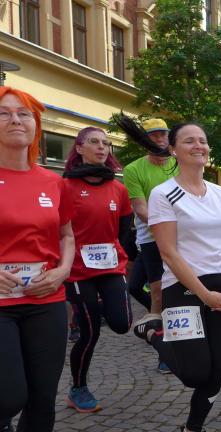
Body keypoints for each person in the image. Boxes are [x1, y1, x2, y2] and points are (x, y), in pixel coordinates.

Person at [121, 120, 221, 432]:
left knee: (217, 371)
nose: (198, 145)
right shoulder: (163, 194)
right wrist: (204, 294)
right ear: (173, 150)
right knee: (194, 373)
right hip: (184, 290)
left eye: (202, 140)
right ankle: (153, 331)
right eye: (189, 141)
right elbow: (169, 253)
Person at [0, 86, 75, 432]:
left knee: (42, 397)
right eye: (5, 113)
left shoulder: (52, 181)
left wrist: (63, 270)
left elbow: (66, 235)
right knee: (9, 395)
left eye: (24, 114)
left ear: (36, 126)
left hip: (46, 299)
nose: (16, 120)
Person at [62, 127, 134, 413]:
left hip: (111, 267)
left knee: (122, 323)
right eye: (94, 142)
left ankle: (94, 306)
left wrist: (118, 253)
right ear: (79, 148)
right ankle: (78, 388)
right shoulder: (64, 186)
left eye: (106, 143)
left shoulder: (118, 188)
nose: (102, 147)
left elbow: (124, 227)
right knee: (90, 333)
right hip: (78, 271)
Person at [120, 117, 178, 374]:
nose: (160, 139)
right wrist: (169, 224)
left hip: (182, 235)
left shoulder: (178, 163)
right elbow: (141, 210)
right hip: (151, 238)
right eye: (154, 135)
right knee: (158, 292)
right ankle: (165, 350)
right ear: (144, 140)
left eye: (163, 134)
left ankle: (183, 336)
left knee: (182, 288)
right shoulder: (133, 169)